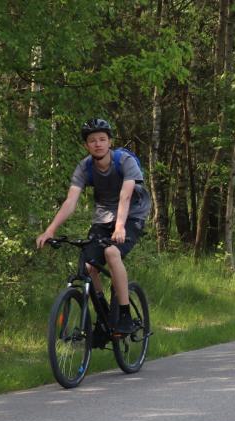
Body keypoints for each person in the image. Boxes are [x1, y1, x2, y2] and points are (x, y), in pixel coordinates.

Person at [36, 118, 150, 335]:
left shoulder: (124, 161)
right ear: (86, 145)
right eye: (92, 140)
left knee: (111, 252)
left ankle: (125, 314)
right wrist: (50, 230)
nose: (98, 144)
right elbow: (70, 202)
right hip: (103, 217)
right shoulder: (85, 167)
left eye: (102, 139)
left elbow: (125, 196)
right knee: (89, 266)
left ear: (110, 142)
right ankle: (104, 314)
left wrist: (120, 227)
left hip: (132, 215)